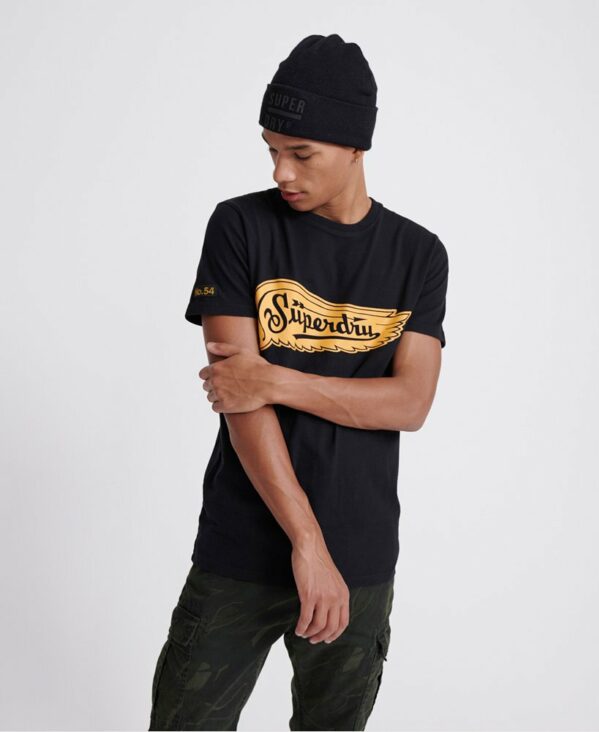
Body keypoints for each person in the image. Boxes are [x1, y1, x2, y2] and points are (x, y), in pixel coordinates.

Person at [149, 33, 449, 731]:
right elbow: (238, 400)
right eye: (271, 149)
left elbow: (410, 403)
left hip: (361, 552)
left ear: (355, 146)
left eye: (302, 153)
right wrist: (307, 544)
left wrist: (276, 379)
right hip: (242, 546)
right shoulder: (240, 226)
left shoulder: (418, 254)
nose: (282, 170)